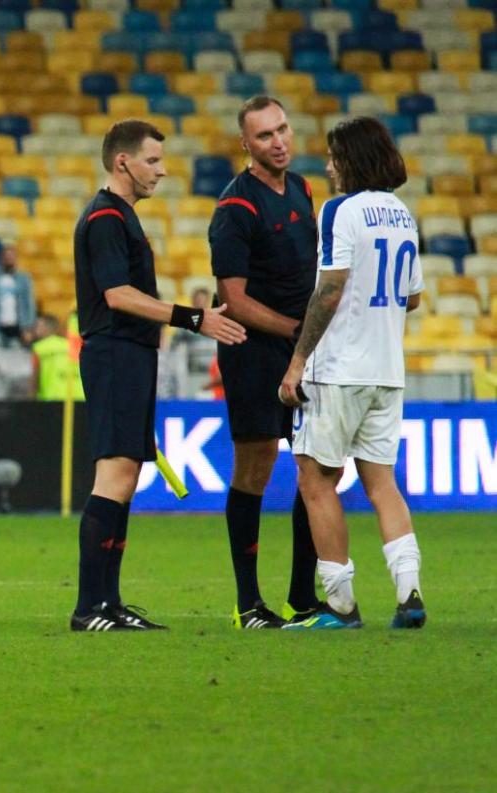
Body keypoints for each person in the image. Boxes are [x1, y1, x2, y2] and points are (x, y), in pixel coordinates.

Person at [70, 119, 247, 633]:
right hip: (114, 353)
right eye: (152, 161)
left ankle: (109, 602)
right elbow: (117, 295)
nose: (161, 171)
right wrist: (192, 318)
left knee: (126, 476)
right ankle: (89, 607)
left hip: (130, 355)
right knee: (114, 475)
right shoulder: (105, 217)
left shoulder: (120, 216)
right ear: (122, 161)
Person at [279, 117, 426, 631]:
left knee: (316, 479)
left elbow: (330, 289)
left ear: (352, 159)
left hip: (338, 368)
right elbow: (412, 297)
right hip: (387, 369)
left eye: (334, 156)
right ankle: (409, 593)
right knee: (382, 482)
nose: (328, 166)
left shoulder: (340, 210)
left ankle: (341, 606)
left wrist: (298, 361)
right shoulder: (403, 214)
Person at [207, 95, 322, 629]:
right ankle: (248, 602)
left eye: (282, 130)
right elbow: (233, 300)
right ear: (245, 144)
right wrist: (298, 331)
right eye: (264, 135)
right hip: (253, 350)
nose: (278, 142)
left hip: (301, 347)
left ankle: (302, 597)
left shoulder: (302, 189)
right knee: (255, 465)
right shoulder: (235, 207)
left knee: (315, 464)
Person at [0, 246, 36, 349]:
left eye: (11, 257)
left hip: (18, 327)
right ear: (0, 259)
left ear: (16, 259)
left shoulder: (24, 279)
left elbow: (29, 304)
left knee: (16, 352)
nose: (9, 260)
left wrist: (28, 328)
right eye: (6, 257)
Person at [30, 314, 84, 401]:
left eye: (38, 326)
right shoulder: (75, 346)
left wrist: (31, 402)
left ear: (48, 328)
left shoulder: (39, 348)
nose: (35, 331)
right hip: (80, 399)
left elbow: (34, 380)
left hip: (51, 400)